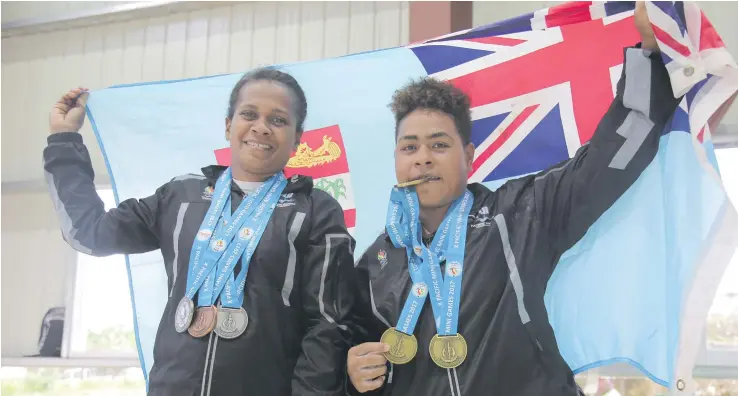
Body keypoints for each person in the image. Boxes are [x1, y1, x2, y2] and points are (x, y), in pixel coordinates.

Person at [346, 3, 680, 395]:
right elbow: (355, 352)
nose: (423, 157)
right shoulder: (375, 263)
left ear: (468, 156)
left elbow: (610, 159)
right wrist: (353, 374)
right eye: (409, 147)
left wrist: (648, 56)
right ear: (397, 160)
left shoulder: (520, 213)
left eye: (439, 144)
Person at [43, 69, 355, 396]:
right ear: (227, 125)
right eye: (248, 114)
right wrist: (64, 140)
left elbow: (327, 326)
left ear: (297, 140)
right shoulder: (181, 197)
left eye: (278, 120)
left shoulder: (315, 209)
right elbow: (90, 233)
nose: (261, 127)